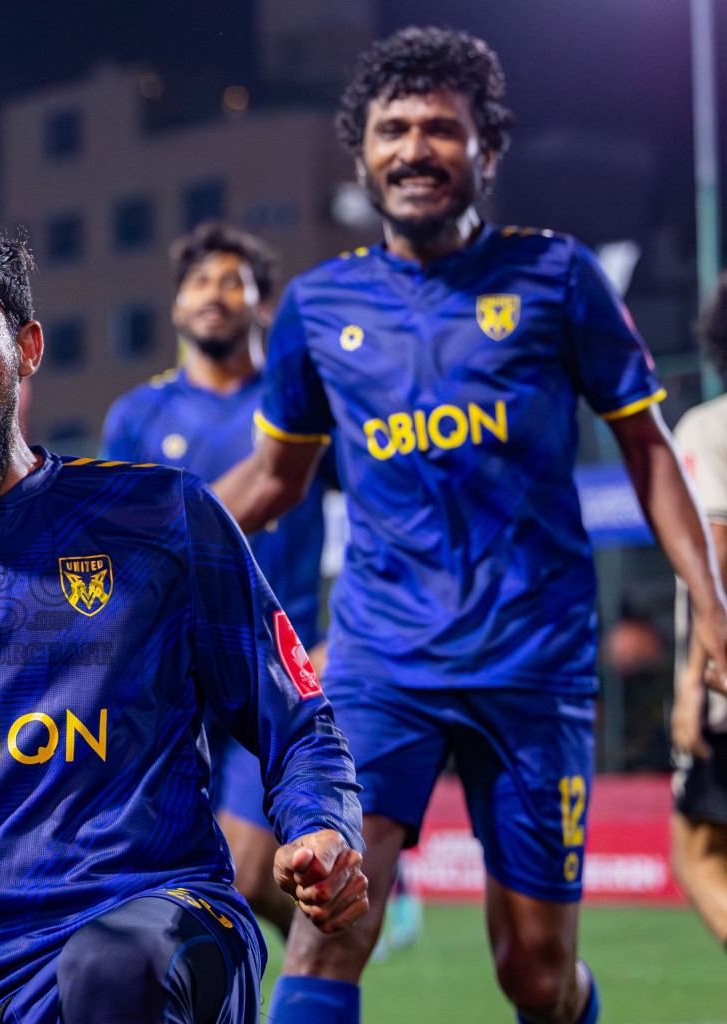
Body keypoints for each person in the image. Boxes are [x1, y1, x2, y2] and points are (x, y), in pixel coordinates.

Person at [213, 26, 727, 1024]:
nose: (416, 148)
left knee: (532, 973)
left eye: (442, 128)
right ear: (360, 151)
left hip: (533, 668)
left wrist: (712, 604)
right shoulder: (321, 307)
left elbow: (651, 451)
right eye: (393, 128)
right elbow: (276, 476)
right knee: (329, 927)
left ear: (488, 147)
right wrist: (141, 534)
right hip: (380, 664)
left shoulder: (561, 279)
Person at [0, 204, 367, 1024]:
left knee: (114, 971)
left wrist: (322, 827)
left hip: (168, 932)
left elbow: (296, 722)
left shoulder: (165, 516)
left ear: (26, 349)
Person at [99, 222, 330, 937]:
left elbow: (383, 513)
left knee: (241, 871)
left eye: (235, 281)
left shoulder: (300, 407)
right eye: (200, 282)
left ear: (263, 304)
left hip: (273, 665)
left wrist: (338, 638)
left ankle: (342, 925)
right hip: (171, 672)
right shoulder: (138, 416)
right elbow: (113, 554)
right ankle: (339, 934)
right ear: (175, 307)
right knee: (196, 875)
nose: (215, 295)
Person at [671, 272, 727, 950]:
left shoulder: (709, 428)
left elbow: (712, 560)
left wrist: (689, 688)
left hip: (722, 685)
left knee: (697, 852)